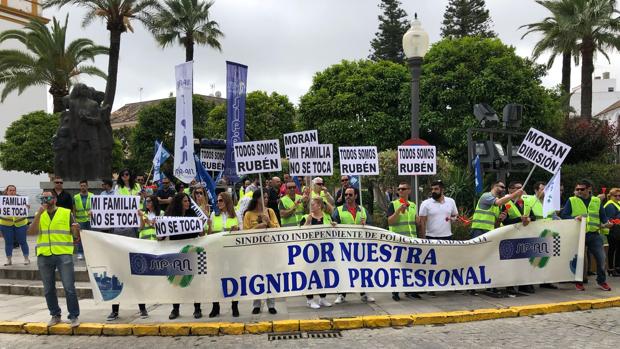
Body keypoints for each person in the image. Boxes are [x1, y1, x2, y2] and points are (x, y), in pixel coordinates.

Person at [27, 191, 80, 328]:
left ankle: (74, 316)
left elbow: (75, 235)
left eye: (48, 197)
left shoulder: (66, 213)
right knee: (48, 289)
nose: (46, 200)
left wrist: (76, 230)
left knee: (69, 287)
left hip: (63, 254)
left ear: (55, 199)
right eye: (43, 198)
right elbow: (31, 232)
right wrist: (38, 213)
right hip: (44, 255)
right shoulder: (40, 214)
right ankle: (55, 315)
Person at [560, 179, 613, 291]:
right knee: (579, 260)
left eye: (582, 189)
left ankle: (601, 281)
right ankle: (578, 282)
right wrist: (574, 218)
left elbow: (603, 216)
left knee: (601, 258)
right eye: (577, 189)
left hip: (594, 234)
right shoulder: (572, 200)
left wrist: (606, 223)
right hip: (578, 234)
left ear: (589, 189)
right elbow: (564, 215)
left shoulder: (596, 201)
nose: (579, 191)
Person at [107, 170, 146, 321]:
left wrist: (140, 199)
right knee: (116, 277)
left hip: (132, 232)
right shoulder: (118, 189)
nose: (125, 177)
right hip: (118, 244)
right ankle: (114, 310)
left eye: (128, 174)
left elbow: (141, 206)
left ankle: (142, 309)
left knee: (135, 275)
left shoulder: (136, 187)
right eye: (123, 175)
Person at [332, 187, 374, 304]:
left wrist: (366, 224)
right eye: (346, 195)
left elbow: (371, 226)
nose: (347, 197)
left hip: (360, 247)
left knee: (361, 271)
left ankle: (364, 293)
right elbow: (333, 225)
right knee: (344, 270)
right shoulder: (338, 210)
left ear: (356, 196)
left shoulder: (363, 210)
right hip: (344, 246)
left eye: (350, 195)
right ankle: (342, 294)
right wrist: (334, 225)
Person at [166, 193, 205, 319]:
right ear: (179, 203)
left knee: (194, 281)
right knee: (176, 282)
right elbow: (160, 236)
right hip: (176, 253)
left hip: (190, 252)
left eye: (188, 201)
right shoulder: (169, 217)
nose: (188, 203)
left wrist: (201, 225)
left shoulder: (192, 215)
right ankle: (175, 309)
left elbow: (201, 234)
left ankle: (197, 309)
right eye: (185, 201)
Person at [243, 190, 279, 314]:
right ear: (257, 199)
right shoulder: (248, 214)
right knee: (256, 277)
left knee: (270, 277)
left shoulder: (270, 211)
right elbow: (245, 233)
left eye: (267, 197)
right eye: (264, 197)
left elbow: (278, 229)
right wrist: (258, 227)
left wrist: (268, 222)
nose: (266, 199)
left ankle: (271, 304)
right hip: (254, 251)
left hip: (269, 250)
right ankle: (256, 304)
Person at [207, 192, 240, 318]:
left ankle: (234, 306)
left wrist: (237, 229)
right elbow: (209, 235)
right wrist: (209, 226)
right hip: (217, 252)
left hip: (231, 252)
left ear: (226, 201)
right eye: (217, 201)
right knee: (215, 279)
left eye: (220, 200)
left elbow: (241, 231)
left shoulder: (235, 215)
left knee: (233, 278)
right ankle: (215, 307)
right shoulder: (213, 215)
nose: (218, 203)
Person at [387, 182, 419, 300]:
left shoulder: (413, 205)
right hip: (398, 241)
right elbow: (390, 221)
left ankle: (410, 290)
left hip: (411, 240)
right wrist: (398, 211)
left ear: (409, 191)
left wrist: (419, 220)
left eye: (403, 189)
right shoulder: (393, 204)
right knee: (397, 267)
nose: (400, 191)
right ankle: (395, 292)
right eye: (399, 189)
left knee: (411, 266)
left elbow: (415, 222)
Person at [300, 197, 333, 309]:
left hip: (324, 251)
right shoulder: (305, 217)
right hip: (309, 252)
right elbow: (299, 234)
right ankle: (310, 299)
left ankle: (322, 298)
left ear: (319, 206)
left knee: (323, 275)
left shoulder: (327, 217)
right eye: (311, 204)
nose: (311, 206)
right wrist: (307, 222)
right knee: (310, 275)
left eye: (313, 204)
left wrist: (334, 226)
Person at [1, 185, 30, 266]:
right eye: (10, 190)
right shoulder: (2, 200)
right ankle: (9, 259)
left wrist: (27, 207)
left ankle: (26, 258)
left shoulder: (21, 200)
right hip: (6, 224)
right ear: (7, 191)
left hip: (20, 223)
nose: (12, 192)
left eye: (14, 190)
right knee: (8, 242)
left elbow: (25, 210)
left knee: (23, 241)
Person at [72, 180, 93, 260]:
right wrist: (74, 220)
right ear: (79, 187)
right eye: (81, 186)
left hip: (90, 220)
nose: (83, 187)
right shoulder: (76, 197)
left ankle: (90, 253)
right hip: (80, 220)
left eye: (84, 185)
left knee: (90, 237)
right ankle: (80, 253)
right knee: (80, 238)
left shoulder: (92, 195)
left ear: (87, 186)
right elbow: (74, 209)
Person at [603, 188, 620, 277]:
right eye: (615, 196)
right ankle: (611, 269)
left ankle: (617, 267)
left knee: (618, 249)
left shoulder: (617, 204)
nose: (617, 197)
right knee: (612, 249)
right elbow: (610, 219)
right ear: (610, 196)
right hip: (612, 230)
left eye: (619, 196)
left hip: (617, 230)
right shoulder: (610, 205)